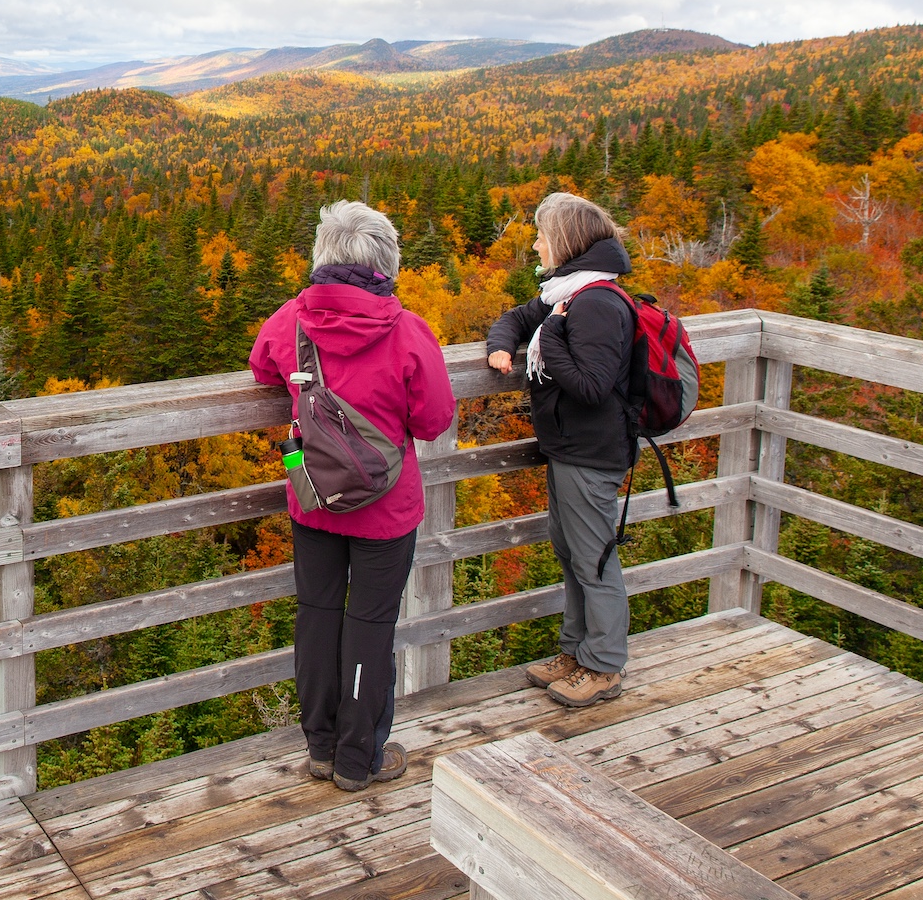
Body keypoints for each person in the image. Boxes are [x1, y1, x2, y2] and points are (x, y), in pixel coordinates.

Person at [249, 201, 454, 791]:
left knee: (315, 617)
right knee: (370, 623)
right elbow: (434, 420)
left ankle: (318, 745)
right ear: (386, 263)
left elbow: (264, 369)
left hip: (313, 497)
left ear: (323, 257)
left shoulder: (290, 319)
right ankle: (357, 758)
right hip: (385, 510)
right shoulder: (408, 331)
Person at [483, 191, 638, 708]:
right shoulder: (564, 294)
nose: (535, 244)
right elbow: (515, 317)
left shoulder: (595, 303)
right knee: (571, 552)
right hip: (568, 449)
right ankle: (576, 652)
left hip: (591, 455)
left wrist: (547, 345)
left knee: (593, 559)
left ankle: (604, 665)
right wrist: (502, 345)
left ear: (566, 243)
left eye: (542, 237)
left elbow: (593, 386)